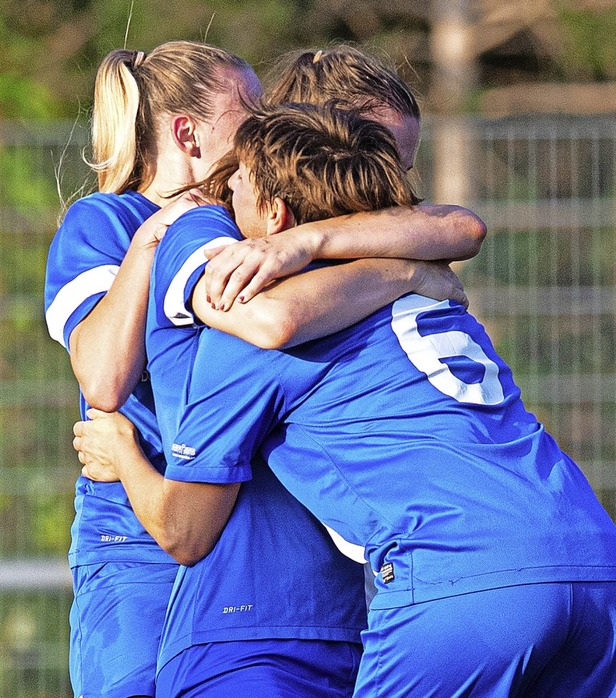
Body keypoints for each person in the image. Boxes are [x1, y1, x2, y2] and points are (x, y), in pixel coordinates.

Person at [79, 101, 616, 697]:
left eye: (234, 196)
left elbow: (185, 532)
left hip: (458, 579)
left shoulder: (259, 336)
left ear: (275, 217)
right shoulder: (426, 287)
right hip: (591, 557)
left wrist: (123, 451)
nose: (224, 209)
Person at [46, 41, 484, 698]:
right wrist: (153, 240)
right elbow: (104, 379)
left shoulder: (259, 220)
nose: (265, 126)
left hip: (259, 556)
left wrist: (405, 268)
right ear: (189, 133)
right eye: (250, 113)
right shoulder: (111, 222)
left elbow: (456, 229)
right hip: (140, 542)